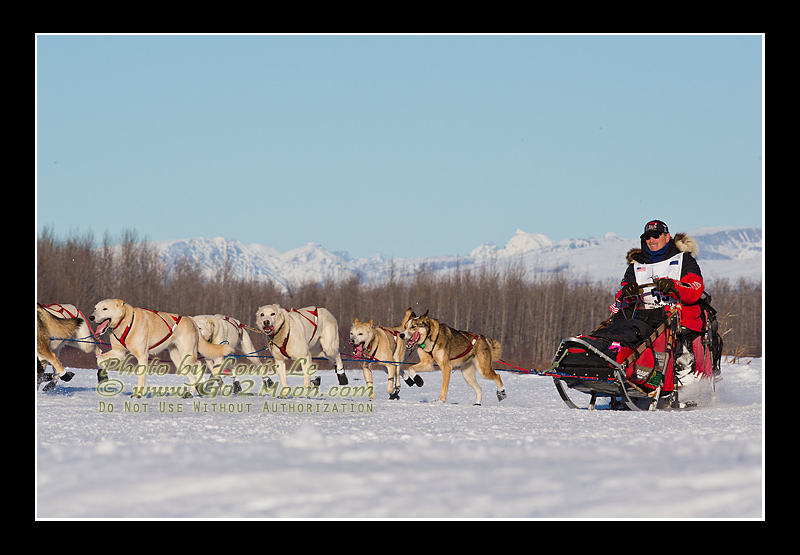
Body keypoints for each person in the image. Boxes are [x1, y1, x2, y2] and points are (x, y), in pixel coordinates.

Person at [614, 219, 705, 333]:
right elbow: (620, 294)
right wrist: (628, 293)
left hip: (678, 318)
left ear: (667, 237)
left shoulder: (683, 260)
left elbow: (695, 290)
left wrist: (673, 286)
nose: (651, 240)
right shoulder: (636, 265)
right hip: (643, 318)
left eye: (656, 236)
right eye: (647, 237)